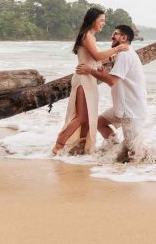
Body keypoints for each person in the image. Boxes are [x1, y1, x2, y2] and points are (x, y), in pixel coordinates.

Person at [52, 8, 129, 155]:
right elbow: (98, 56)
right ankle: (58, 145)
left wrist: (110, 58)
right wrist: (117, 49)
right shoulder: (87, 35)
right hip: (83, 79)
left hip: (89, 79)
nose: (103, 24)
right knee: (81, 116)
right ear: (93, 20)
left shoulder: (91, 37)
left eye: (104, 21)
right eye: (101, 20)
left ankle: (80, 147)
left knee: (88, 118)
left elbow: (96, 59)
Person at [76, 24, 147, 162]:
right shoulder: (122, 54)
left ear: (124, 37)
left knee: (136, 153)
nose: (112, 36)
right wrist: (104, 73)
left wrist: (90, 71)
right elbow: (117, 79)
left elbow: (112, 81)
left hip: (131, 109)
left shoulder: (125, 55)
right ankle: (115, 150)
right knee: (99, 123)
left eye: (115, 33)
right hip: (122, 106)